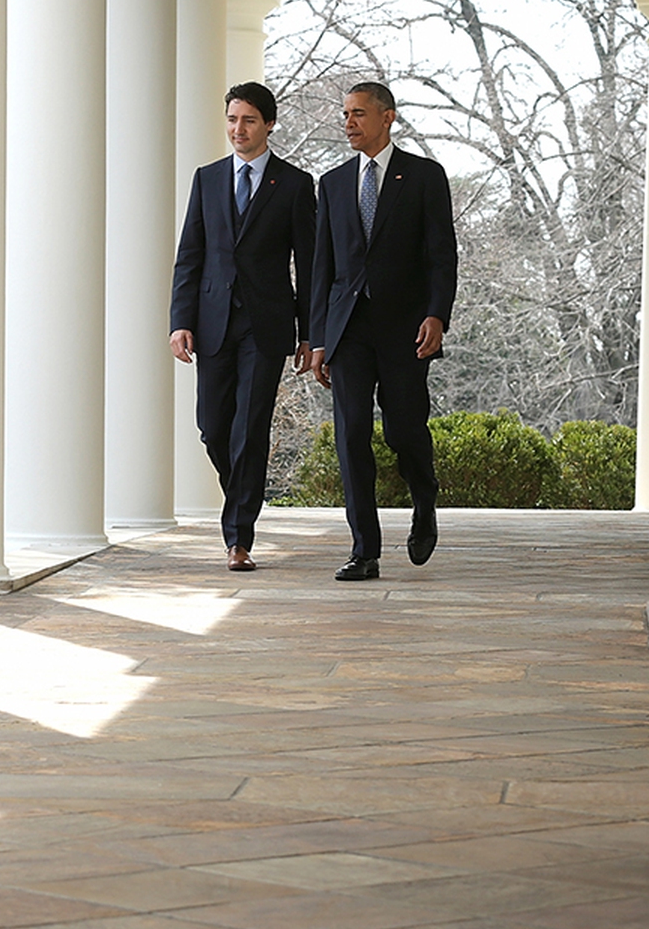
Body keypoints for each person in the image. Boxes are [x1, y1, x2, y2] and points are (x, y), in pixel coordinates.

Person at [307, 81, 457, 581]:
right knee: (350, 436)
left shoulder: (423, 176)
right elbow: (321, 269)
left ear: (388, 117)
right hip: (348, 329)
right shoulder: (330, 184)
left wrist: (437, 314)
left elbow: (441, 255)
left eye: (359, 114)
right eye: (345, 114)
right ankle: (364, 550)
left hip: (406, 328)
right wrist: (320, 338)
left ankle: (424, 497)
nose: (349, 122)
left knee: (403, 429)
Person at [171, 82, 317, 572]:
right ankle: (241, 497)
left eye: (249, 120)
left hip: (266, 325)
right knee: (213, 429)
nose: (238, 129)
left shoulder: (295, 185)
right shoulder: (207, 179)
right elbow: (189, 255)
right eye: (232, 119)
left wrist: (308, 333)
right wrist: (179, 322)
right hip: (212, 322)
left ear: (269, 124)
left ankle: (238, 537)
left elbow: (310, 264)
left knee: (250, 429)